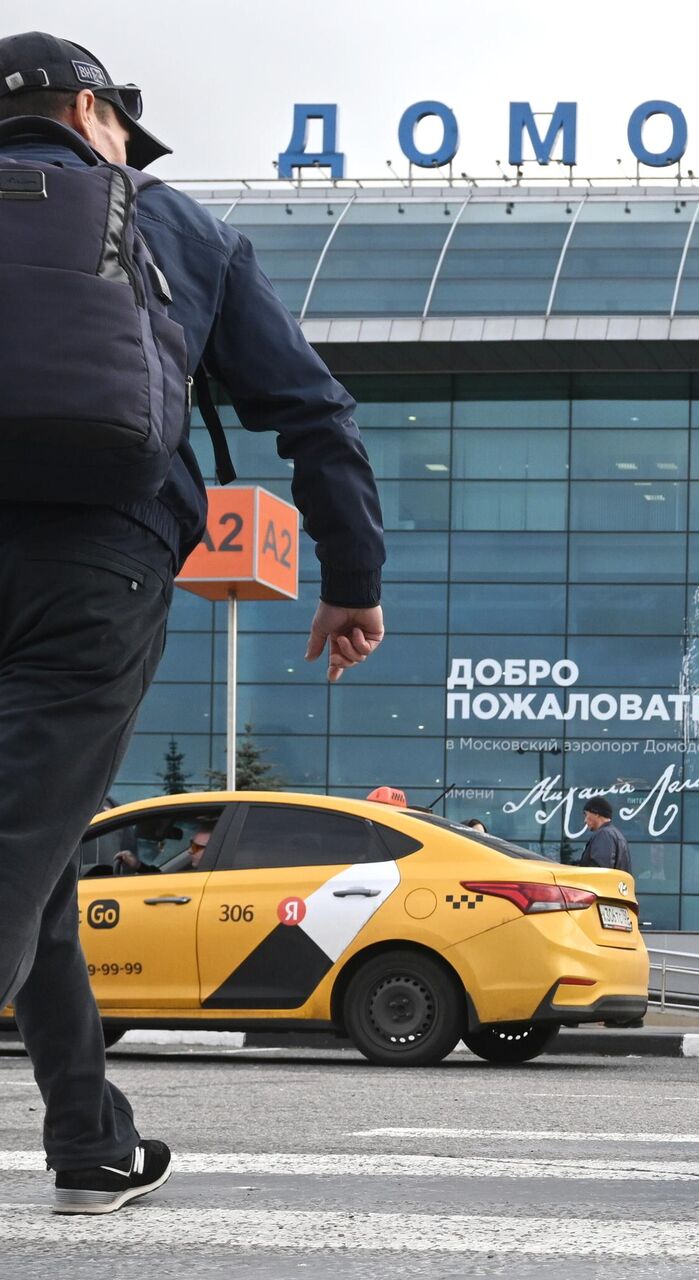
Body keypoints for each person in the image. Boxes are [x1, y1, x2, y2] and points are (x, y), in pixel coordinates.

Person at [0, 33, 386, 1215]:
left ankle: (91, 1139)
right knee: (17, 842)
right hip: (95, 565)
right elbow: (311, 409)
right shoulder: (172, 224)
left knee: (42, 851)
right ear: (92, 111)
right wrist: (351, 574)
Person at [579, 797, 631, 873]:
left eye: (586, 815)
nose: (585, 820)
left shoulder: (604, 834)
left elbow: (599, 870)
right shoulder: (615, 834)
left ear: (596, 813)